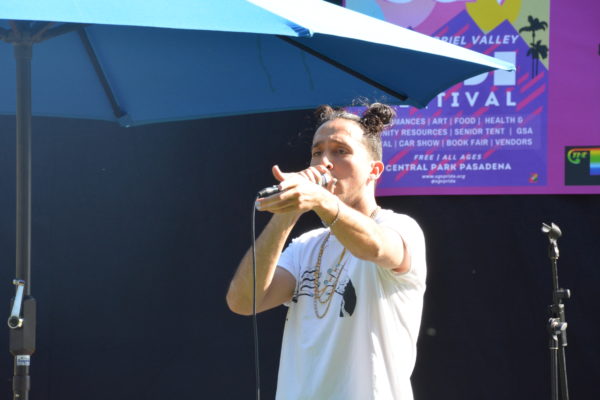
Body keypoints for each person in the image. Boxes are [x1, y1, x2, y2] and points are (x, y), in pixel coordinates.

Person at [226, 103, 427, 400]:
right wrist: (287, 215)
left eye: (340, 151)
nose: (324, 162)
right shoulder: (307, 245)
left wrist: (320, 199)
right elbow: (243, 302)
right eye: (317, 152)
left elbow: (374, 247)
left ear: (374, 170)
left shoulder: (399, 227)